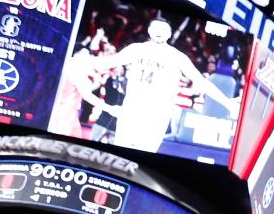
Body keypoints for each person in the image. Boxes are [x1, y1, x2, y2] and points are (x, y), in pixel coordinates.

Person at [74, 18, 239, 153]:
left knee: (141, 162)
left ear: (169, 34)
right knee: (120, 158)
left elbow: (202, 83)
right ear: (149, 31)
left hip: (155, 117)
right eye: (156, 28)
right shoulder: (136, 49)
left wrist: (227, 102)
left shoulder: (177, 57)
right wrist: (79, 60)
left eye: (163, 29)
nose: (159, 32)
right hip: (131, 112)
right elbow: (106, 63)